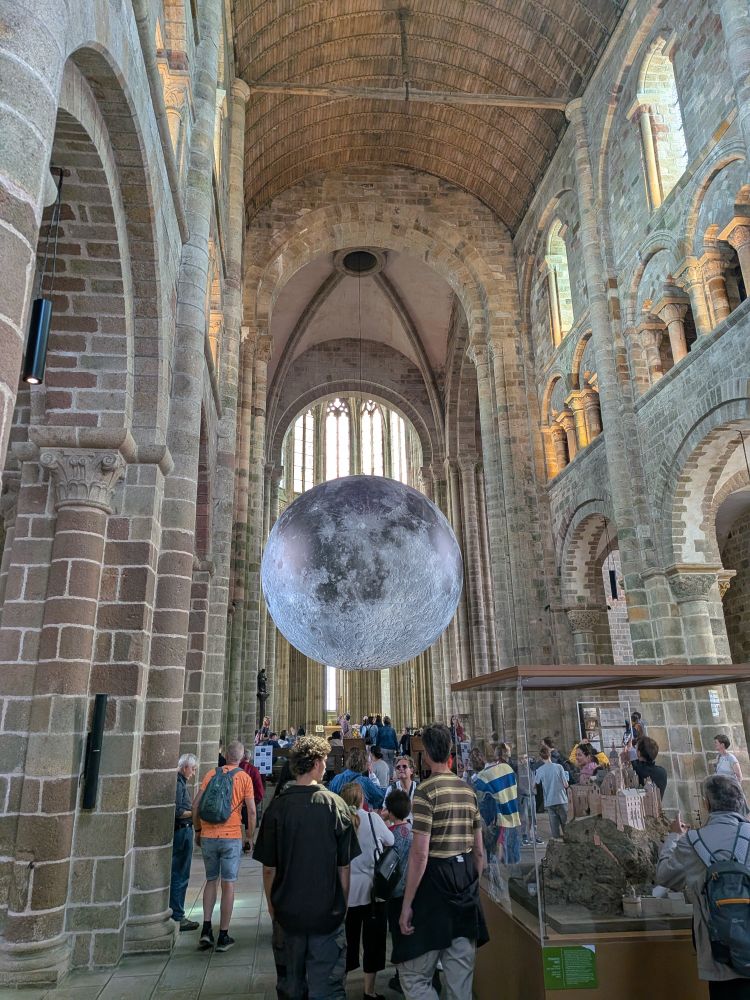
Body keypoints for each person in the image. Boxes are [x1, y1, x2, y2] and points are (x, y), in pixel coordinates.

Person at [254, 735, 361, 1000]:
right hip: (328, 913)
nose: (325, 766)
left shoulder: (276, 808)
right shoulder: (336, 806)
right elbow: (344, 867)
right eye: (323, 760)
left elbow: (269, 868)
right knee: (328, 990)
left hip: (288, 913)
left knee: (292, 987)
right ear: (314, 763)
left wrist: (271, 904)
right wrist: (343, 903)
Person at [395, 723, 488, 998]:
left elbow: (420, 853)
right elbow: (479, 851)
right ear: (450, 753)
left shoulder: (425, 791)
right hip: (464, 882)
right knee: (461, 982)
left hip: (434, 882)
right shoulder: (467, 790)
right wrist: (473, 886)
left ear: (425, 755)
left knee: (413, 976)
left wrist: (407, 904)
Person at [656, 775, 750, 998]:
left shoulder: (692, 841)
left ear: (707, 804)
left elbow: (665, 877)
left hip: (718, 954)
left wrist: (673, 837)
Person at [193, 740, 256, 952]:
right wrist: (250, 836)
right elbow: (252, 811)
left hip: (209, 835)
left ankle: (206, 929)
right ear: (241, 758)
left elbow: (196, 805)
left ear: (226, 755)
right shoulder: (244, 777)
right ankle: (223, 935)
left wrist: (198, 830)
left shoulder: (211, 774)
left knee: (211, 880)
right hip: (231, 836)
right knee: (228, 884)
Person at [339, 782, 394, 1000]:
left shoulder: (340, 822)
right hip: (373, 892)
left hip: (347, 893)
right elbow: (390, 841)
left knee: (346, 942)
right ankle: (369, 991)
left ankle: (340, 988)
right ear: (362, 799)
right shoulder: (373, 819)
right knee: (373, 943)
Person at [383, 789, 417, 997]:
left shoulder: (390, 836)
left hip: (394, 894)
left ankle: (400, 976)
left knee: (397, 934)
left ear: (391, 812)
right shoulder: (414, 833)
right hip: (412, 892)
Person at [474, 746, 522, 864]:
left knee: (496, 866)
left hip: (496, 822)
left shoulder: (482, 776)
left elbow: (482, 807)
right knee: (512, 863)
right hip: (512, 818)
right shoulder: (508, 769)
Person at [170, 753, 199, 931]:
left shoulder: (180, 782)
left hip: (183, 832)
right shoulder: (178, 784)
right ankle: (177, 916)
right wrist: (196, 812)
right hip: (182, 832)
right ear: (185, 767)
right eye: (193, 769)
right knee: (180, 875)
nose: (194, 773)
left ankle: (176, 912)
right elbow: (178, 812)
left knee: (180, 874)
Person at [534, 745, 569, 840]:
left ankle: (557, 847)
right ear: (550, 755)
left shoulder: (540, 770)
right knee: (566, 827)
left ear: (541, 757)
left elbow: (535, 784)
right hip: (561, 799)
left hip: (549, 801)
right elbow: (566, 784)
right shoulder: (559, 767)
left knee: (554, 829)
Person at [238, 749, 265, 853]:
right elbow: (260, 791)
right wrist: (255, 802)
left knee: (239, 825)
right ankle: (249, 843)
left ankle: (240, 844)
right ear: (249, 758)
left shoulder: (235, 769)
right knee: (250, 824)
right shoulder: (254, 770)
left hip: (236, 805)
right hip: (250, 803)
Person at [517, 753, 543, 846]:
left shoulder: (532, 768)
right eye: (522, 758)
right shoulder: (519, 770)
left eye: (526, 758)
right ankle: (524, 835)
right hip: (523, 796)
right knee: (524, 817)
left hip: (531, 795)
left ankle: (533, 835)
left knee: (533, 817)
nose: (524, 760)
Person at [384, 755, 418, 822]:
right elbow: (384, 813)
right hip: (398, 826)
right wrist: (400, 808)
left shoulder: (419, 788)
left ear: (411, 770)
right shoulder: (391, 789)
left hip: (415, 826)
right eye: (398, 767)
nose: (401, 768)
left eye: (404, 766)